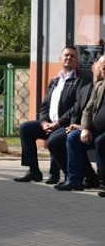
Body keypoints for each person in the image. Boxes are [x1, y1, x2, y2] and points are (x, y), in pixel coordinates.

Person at [13, 46, 91, 183]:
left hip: (66, 124)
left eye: (72, 56)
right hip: (49, 123)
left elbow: (77, 106)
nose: (69, 58)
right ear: (60, 58)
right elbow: (44, 106)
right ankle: (33, 171)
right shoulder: (55, 81)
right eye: (66, 55)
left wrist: (59, 123)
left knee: (54, 138)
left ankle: (57, 175)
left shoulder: (81, 80)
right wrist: (44, 123)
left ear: (77, 60)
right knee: (26, 128)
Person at [47, 55, 102, 188]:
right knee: (55, 140)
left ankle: (93, 178)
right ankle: (76, 178)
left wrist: (81, 127)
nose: (100, 70)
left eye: (102, 67)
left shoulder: (93, 84)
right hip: (83, 127)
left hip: (95, 130)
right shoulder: (91, 85)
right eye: (99, 67)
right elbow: (84, 109)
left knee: (94, 141)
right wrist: (80, 126)